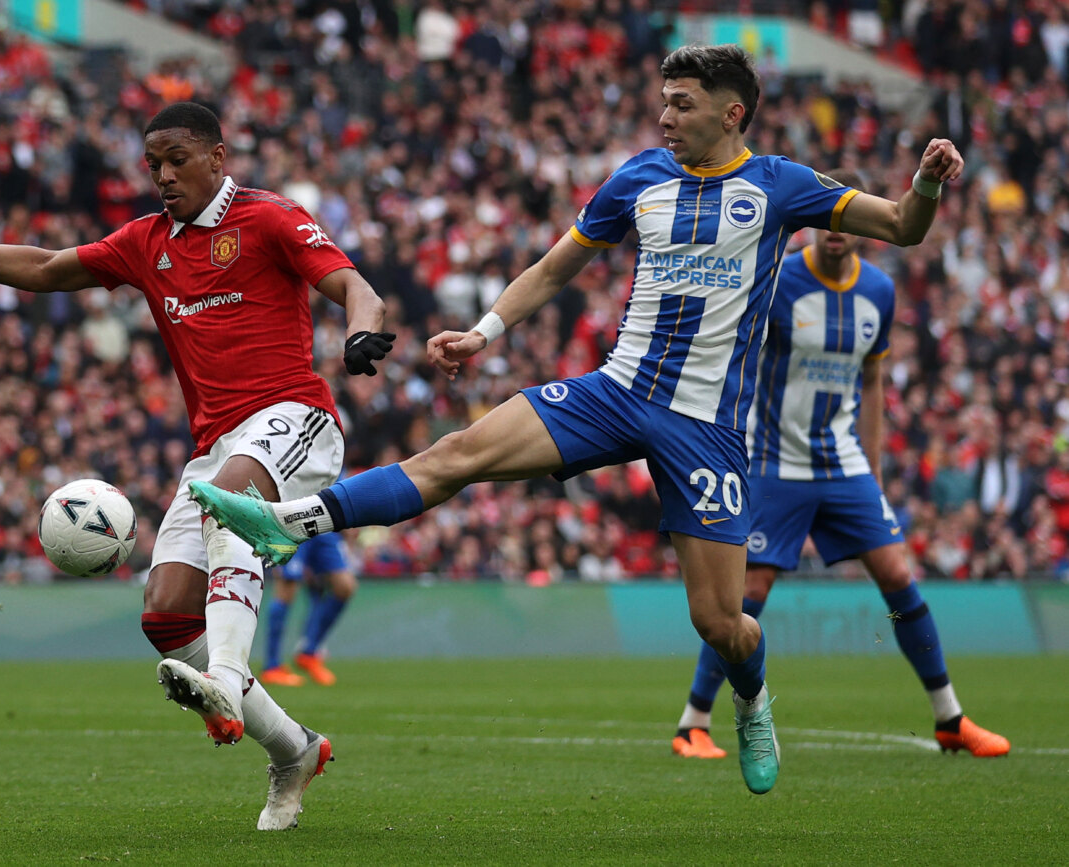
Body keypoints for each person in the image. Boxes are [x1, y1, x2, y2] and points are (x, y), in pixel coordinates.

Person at [190, 44, 965, 797]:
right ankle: (292, 522)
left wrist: (926, 182)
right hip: (615, 391)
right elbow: (558, 264)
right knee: (458, 452)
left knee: (723, 624)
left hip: (705, 427)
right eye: (664, 99)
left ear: (733, 113)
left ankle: (752, 702)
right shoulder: (639, 177)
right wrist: (484, 333)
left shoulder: (781, 185)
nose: (665, 114)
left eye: (682, 103)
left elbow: (902, 225)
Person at [0, 101, 396, 830]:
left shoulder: (270, 218)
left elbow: (353, 284)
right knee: (167, 611)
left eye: (177, 159)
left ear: (218, 155)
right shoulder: (146, 242)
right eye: (153, 164)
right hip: (217, 446)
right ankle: (294, 749)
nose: (164, 175)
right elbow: (47, 268)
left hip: (293, 418)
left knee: (229, 503)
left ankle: (228, 683)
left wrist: (363, 330)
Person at [671, 168, 1010, 761]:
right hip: (775, 463)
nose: (835, 233)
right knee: (747, 592)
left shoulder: (878, 290)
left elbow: (873, 380)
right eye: (825, 222)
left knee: (899, 576)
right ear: (817, 223)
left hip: (843, 463)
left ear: (857, 229)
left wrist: (873, 469)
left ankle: (950, 719)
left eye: (844, 225)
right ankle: (693, 723)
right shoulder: (778, 280)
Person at [260, 531, 358, 687]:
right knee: (287, 587)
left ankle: (309, 652)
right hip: (294, 523)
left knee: (345, 587)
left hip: (325, 527)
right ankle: (272, 666)